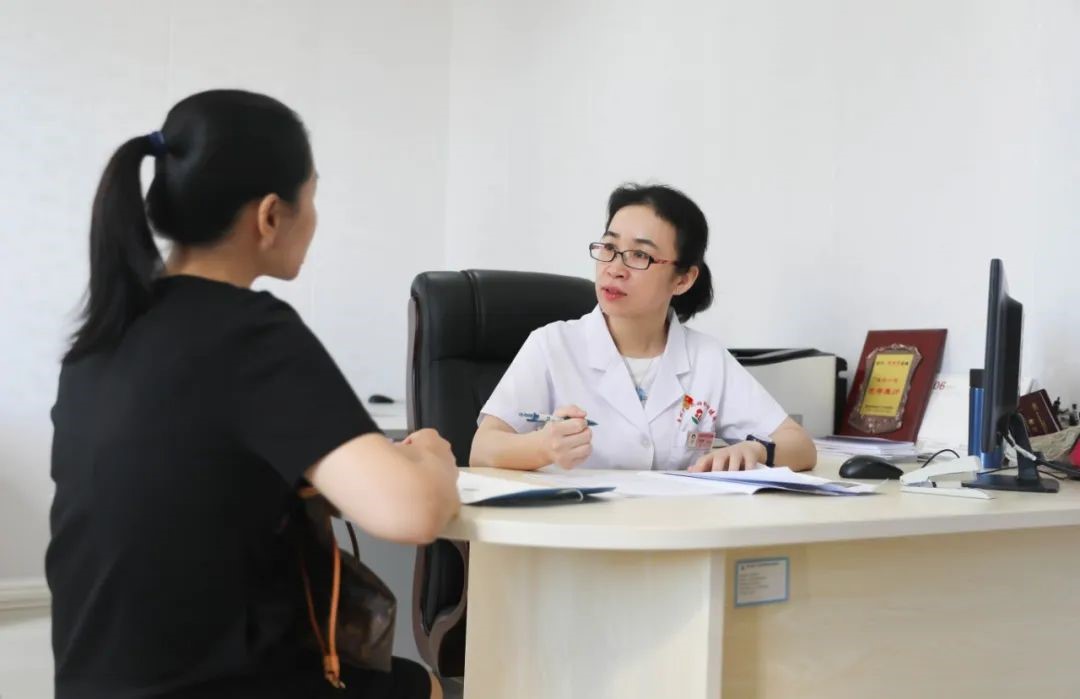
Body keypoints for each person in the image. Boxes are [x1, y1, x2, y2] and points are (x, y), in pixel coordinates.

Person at [46, 90, 458, 699]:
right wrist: (431, 458)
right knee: (426, 687)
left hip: (92, 684)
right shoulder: (249, 332)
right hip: (217, 684)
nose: (314, 218)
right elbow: (413, 513)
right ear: (269, 215)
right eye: (311, 197)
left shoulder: (101, 337)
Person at [470, 183, 816, 473]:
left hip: (675, 529)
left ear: (683, 279)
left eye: (640, 256)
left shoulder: (707, 358)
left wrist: (756, 450)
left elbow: (799, 445)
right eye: (609, 248)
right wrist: (542, 447)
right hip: (575, 529)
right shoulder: (552, 345)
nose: (615, 268)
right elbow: (482, 449)